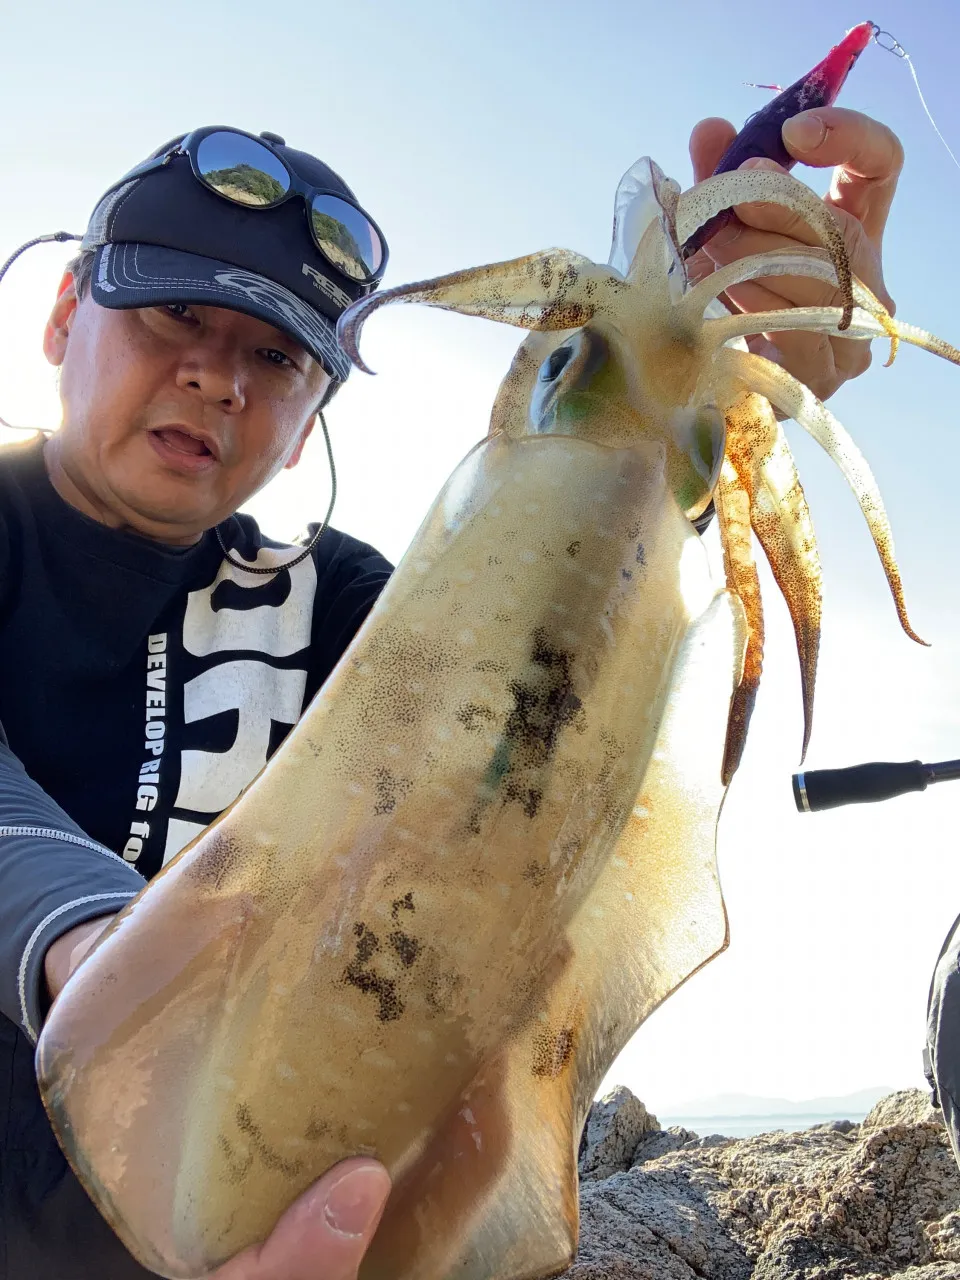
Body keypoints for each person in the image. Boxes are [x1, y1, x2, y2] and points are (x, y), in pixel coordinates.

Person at [0, 108, 905, 1280]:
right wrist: (95, 943)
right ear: (65, 314)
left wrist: (682, 442)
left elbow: (532, 748)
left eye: (276, 356)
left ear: (307, 418)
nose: (218, 376)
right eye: (176, 312)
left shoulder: (347, 608)